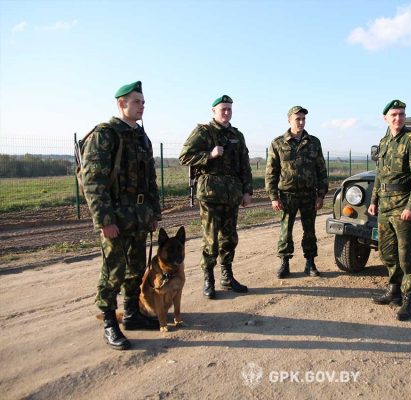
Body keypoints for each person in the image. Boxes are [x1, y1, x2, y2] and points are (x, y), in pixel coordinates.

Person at [80, 81, 162, 350]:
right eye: (136, 102)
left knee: (136, 269)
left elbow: (150, 180)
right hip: (115, 217)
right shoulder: (105, 135)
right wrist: (104, 221)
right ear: (121, 104)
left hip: (138, 217)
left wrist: (153, 212)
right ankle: (109, 322)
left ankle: (131, 314)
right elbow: (93, 182)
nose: (142, 106)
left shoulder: (141, 136)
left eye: (143, 102)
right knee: (112, 273)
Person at [179, 95, 252, 299]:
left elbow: (244, 165)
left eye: (229, 109)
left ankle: (227, 276)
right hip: (210, 195)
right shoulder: (203, 132)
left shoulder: (237, 135)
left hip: (232, 194)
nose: (226, 112)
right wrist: (209, 155)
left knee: (229, 238)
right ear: (214, 111)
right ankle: (208, 279)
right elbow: (184, 156)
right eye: (223, 109)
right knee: (211, 240)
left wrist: (247, 191)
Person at [368, 99, 411, 321]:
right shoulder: (384, 141)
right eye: (394, 115)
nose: (398, 118)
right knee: (386, 252)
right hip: (385, 205)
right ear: (385, 118)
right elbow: (379, 175)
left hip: (403, 205)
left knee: (406, 256)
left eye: (401, 114)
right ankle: (393, 290)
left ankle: (408, 298)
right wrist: (373, 200)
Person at [265, 106, 328, 278]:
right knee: (286, 230)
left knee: (310, 230)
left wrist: (321, 195)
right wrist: (273, 197)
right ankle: (284, 263)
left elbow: (321, 170)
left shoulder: (314, 142)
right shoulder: (278, 143)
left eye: (303, 119)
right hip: (287, 195)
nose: (300, 122)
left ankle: (310, 263)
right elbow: (271, 171)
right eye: (297, 119)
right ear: (289, 120)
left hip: (309, 194)